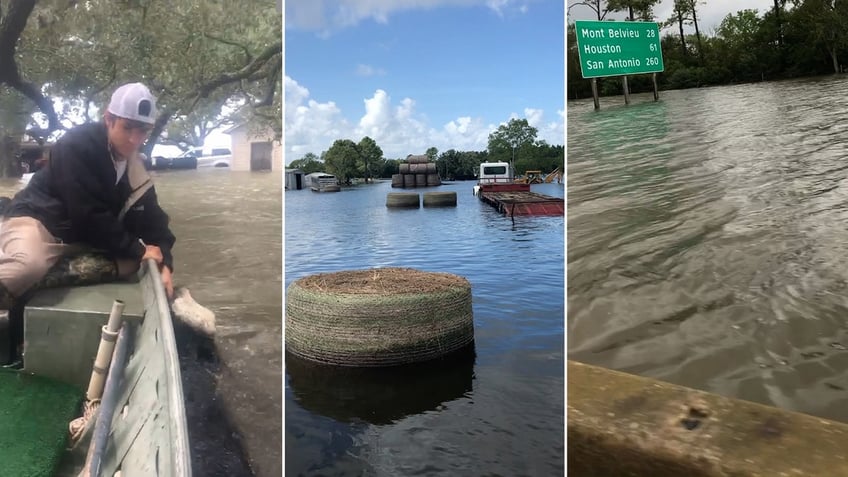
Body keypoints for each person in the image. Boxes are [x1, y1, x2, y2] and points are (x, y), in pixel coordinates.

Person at [0, 82, 176, 306]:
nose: (135, 139)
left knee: (137, 263)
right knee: (27, 267)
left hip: (81, 239)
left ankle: (44, 276)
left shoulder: (135, 170)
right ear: (108, 119)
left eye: (142, 131)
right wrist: (139, 249)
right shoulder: (76, 145)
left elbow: (156, 224)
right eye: (127, 127)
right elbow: (87, 215)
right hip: (37, 221)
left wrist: (165, 265)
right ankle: (32, 276)